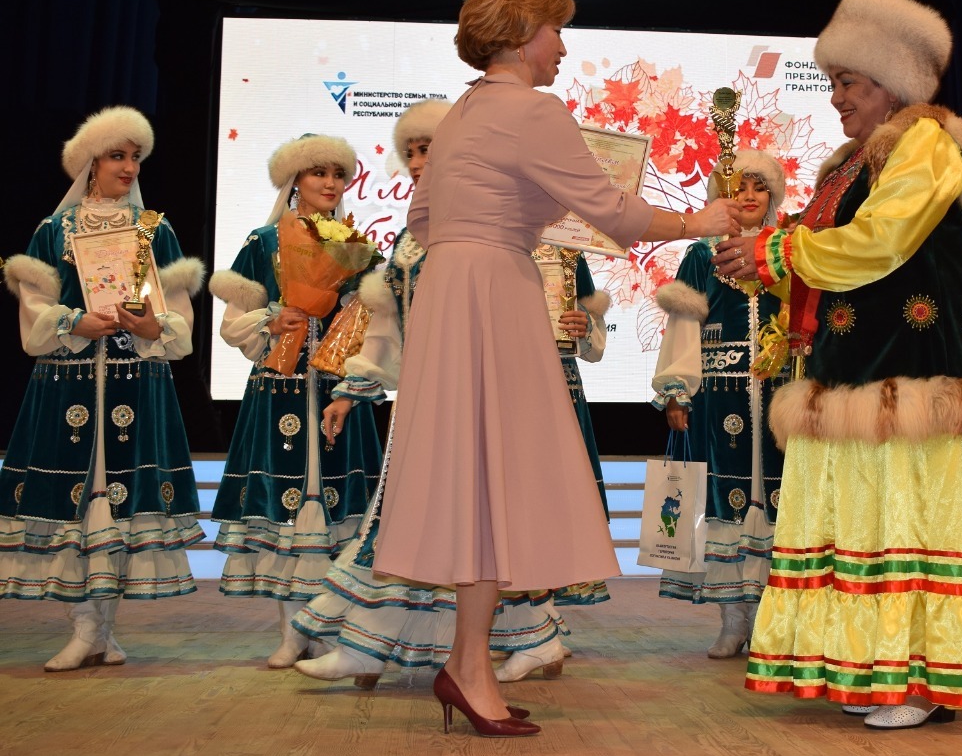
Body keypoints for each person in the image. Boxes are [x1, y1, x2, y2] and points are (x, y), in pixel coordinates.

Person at [372, 0, 739, 737]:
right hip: (495, 291)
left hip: (452, 288)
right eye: (557, 30)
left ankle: (468, 664)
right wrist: (698, 221)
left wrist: (505, 224)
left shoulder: (465, 111)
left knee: (477, 479)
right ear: (521, 34)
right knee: (499, 473)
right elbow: (612, 211)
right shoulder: (532, 109)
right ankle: (469, 666)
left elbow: (423, 220)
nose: (564, 47)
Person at [713, 0, 962, 729]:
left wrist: (778, 250)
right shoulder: (851, 162)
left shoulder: (926, 144)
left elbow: (883, 241)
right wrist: (763, 261)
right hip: (852, 369)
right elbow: (832, 259)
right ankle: (872, 669)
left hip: (909, 370)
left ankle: (916, 680)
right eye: (833, 81)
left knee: (905, 519)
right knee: (863, 520)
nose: (836, 96)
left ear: (893, 82)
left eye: (848, 81)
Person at [288, 103, 609, 688]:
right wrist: (354, 388)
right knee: (433, 521)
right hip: (430, 398)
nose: (418, 161)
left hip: (482, 396)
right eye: (411, 151)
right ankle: (383, 644)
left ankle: (399, 645)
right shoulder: (412, 241)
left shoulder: (491, 227)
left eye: (429, 149)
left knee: (477, 523)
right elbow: (387, 324)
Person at [0, 106, 206, 670]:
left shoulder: (154, 230)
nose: (129, 167)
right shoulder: (54, 231)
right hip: (67, 386)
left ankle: (102, 631)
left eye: (136, 157)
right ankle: (86, 629)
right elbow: (35, 310)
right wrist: (74, 322)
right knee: (77, 504)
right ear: (90, 163)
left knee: (118, 507)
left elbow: (178, 317)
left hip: (132, 384)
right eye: (118, 156)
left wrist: (153, 327)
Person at [208, 134, 382, 668]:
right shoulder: (263, 242)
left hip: (336, 392)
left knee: (336, 510)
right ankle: (291, 632)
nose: (330, 183)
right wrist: (271, 319)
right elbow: (232, 323)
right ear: (295, 180)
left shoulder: (357, 248)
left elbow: (373, 322)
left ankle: (327, 628)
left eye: (338, 173)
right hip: (278, 390)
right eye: (318, 173)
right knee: (288, 508)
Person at [650, 149, 789, 658]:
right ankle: (733, 617)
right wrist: (677, 389)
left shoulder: (786, 248)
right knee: (723, 501)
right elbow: (684, 325)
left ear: (772, 195)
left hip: (779, 397)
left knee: (779, 504)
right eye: (738, 187)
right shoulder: (701, 255)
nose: (748, 196)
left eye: (758, 186)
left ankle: (773, 620)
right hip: (719, 397)